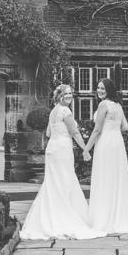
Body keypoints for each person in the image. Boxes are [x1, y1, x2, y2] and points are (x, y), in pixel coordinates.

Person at [19, 84, 104, 241]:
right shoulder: (65, 111)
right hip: (62, 149)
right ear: (59, 96)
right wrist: (85, 149)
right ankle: (64, 218)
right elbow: (75, 132)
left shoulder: (53, 111)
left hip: (52, 149)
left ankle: (50, 218)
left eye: (71, 93)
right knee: (65, 181)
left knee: (53, 183)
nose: (69, 96)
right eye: (66, 94)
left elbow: (48, 133)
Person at [85, 77, 128, 234]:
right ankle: (118, 219)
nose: (99, 90)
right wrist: (113, 129)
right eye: (98, 87)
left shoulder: (103, 105)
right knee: (116, 178)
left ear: (109, 90)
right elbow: (125, 127)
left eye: (102, 88)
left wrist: (86, 149)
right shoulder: (118, 105)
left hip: (106, 143)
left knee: (104, 178)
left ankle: (104, 219)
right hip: (117, 143)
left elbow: (97, 130)